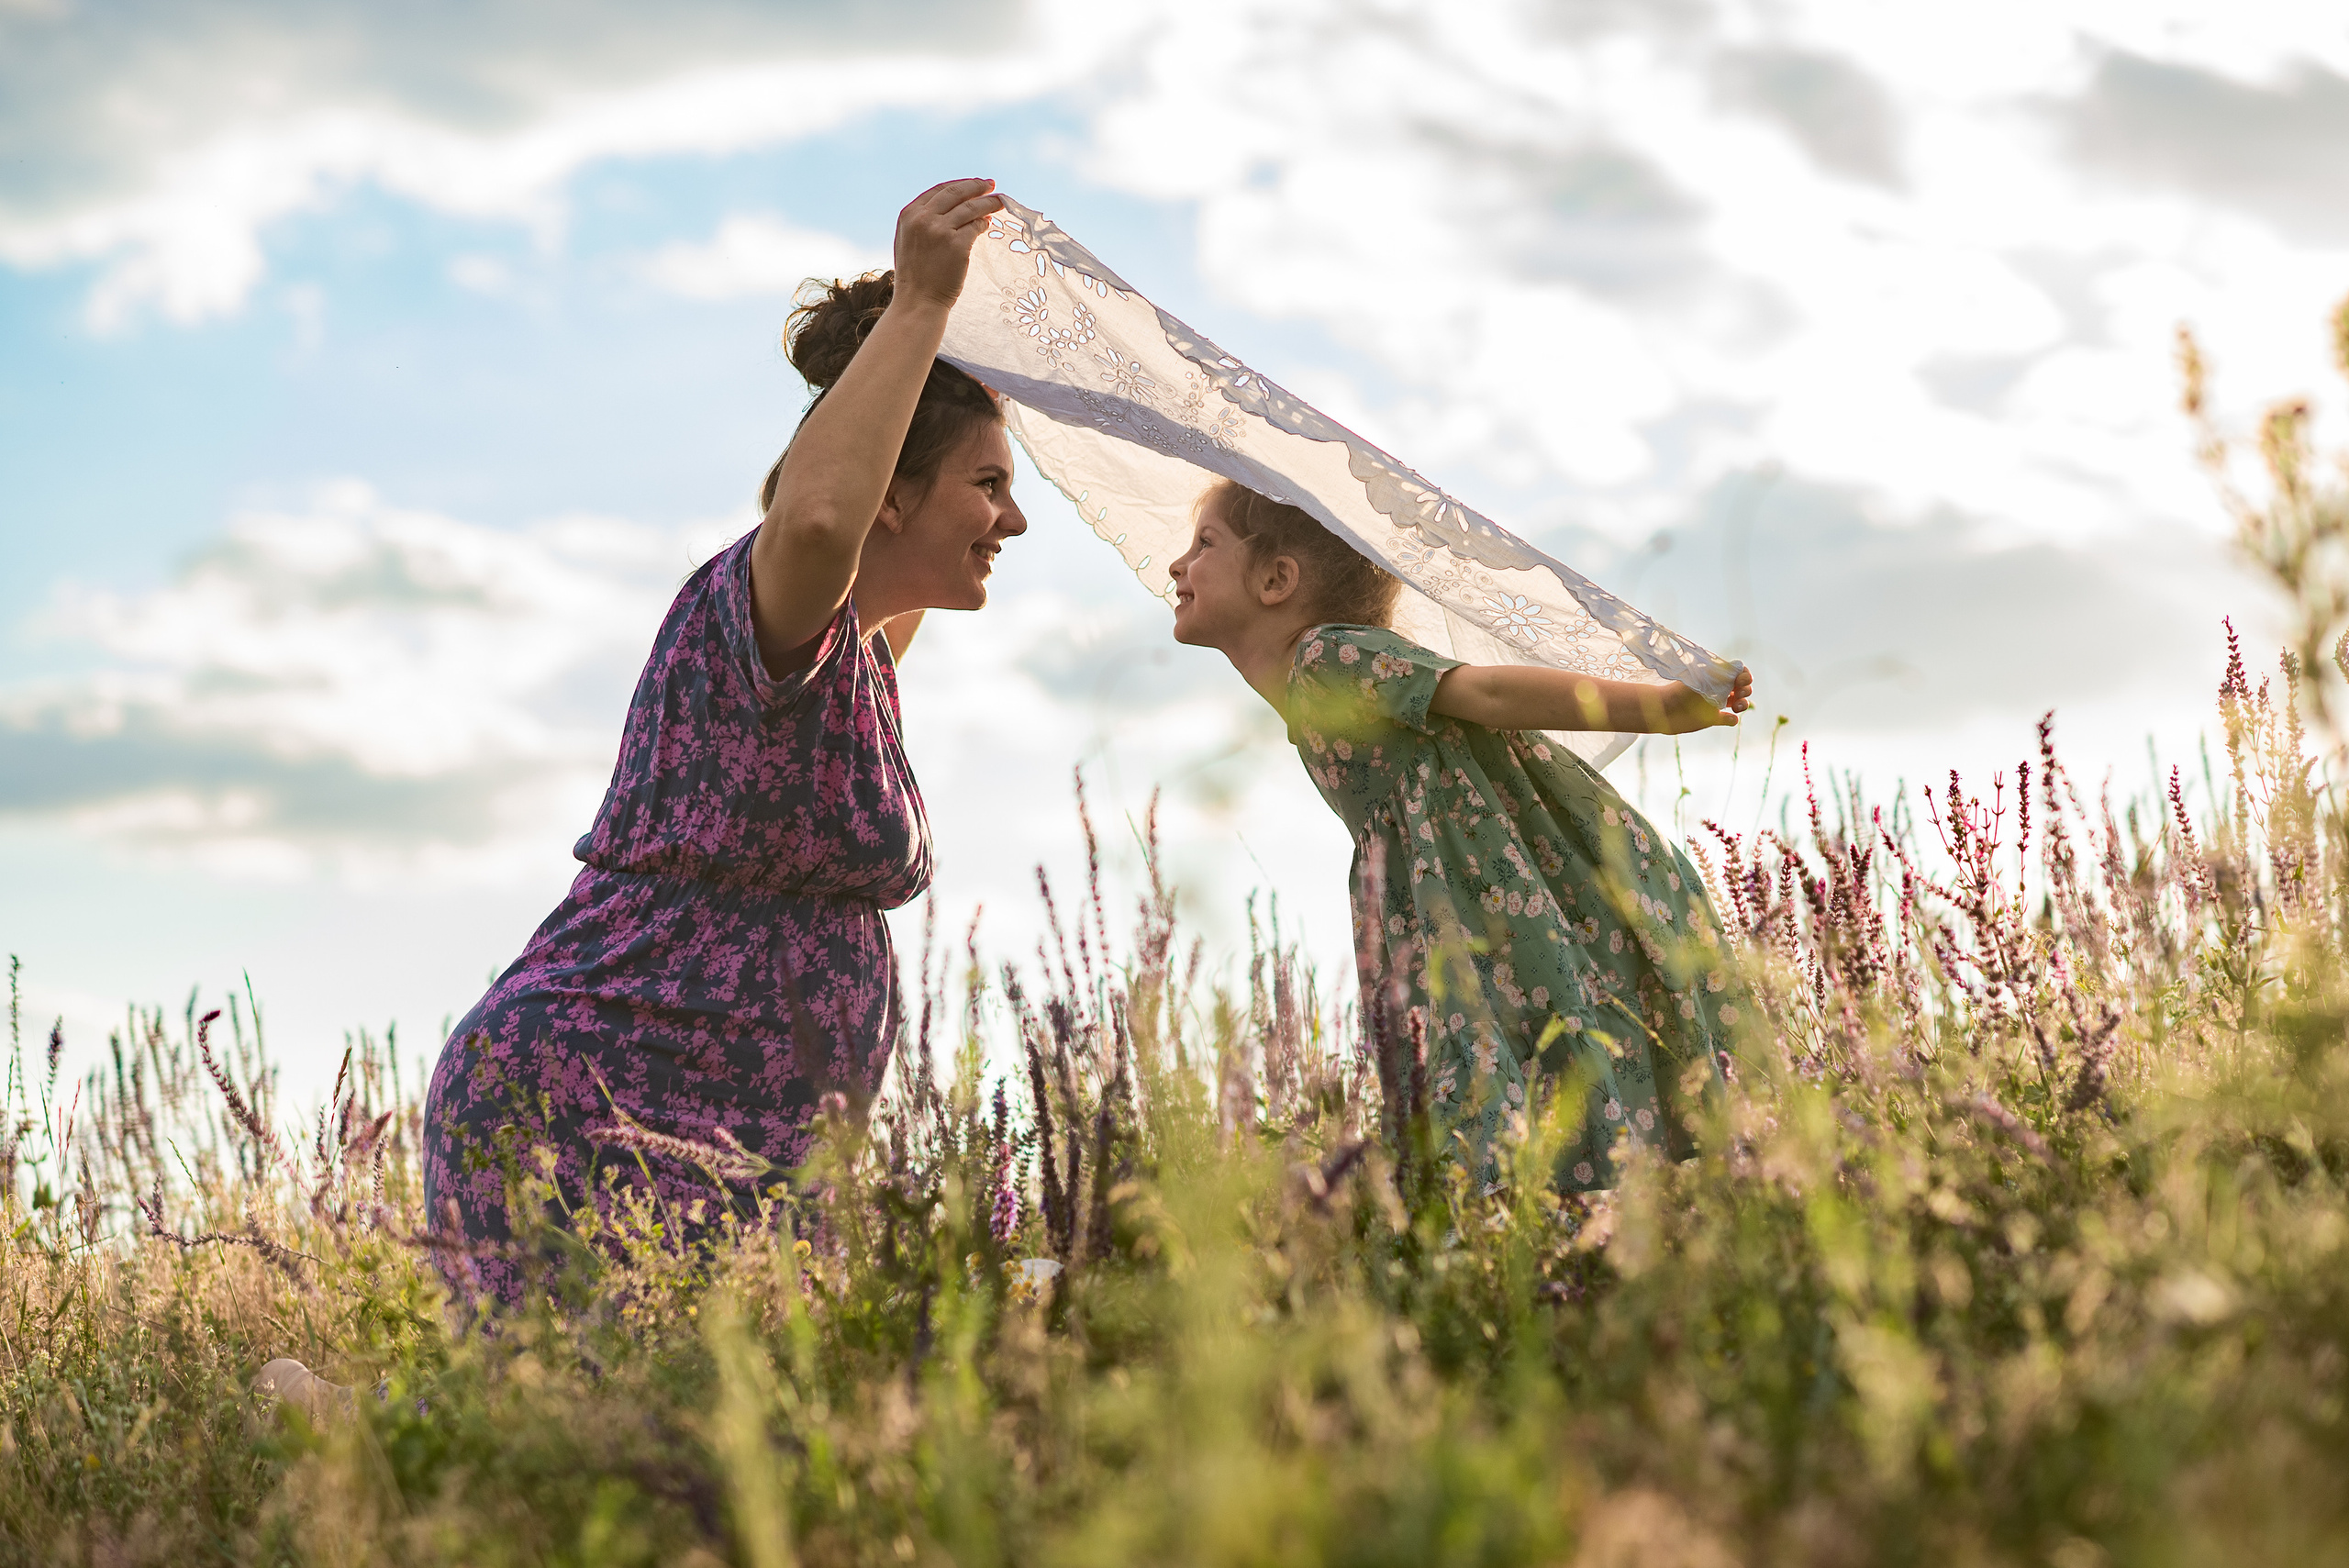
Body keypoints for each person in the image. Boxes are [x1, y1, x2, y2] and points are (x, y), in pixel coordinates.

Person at [420, 178, 1022, 1307]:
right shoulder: (770, 618)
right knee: (583, 1425)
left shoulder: (865, 655)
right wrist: (918, 312)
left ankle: (321, 1428)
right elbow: (818, 516)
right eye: (988, 485)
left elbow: (851, 514)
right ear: (891, 498)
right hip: (586, 1095)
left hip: (736, 1140)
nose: (1015, 517)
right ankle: (314, 1433)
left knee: (657, 1438)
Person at [1166, 480, 1753, 1185]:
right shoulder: (1305, 685)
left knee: (1516, 1077)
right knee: (1511, 1077)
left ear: (1276, 578)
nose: (1178, 564)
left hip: (1509, 894)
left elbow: (1490, 693)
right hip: (1457, 902)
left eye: (1204, 544)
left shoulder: (1330, 658)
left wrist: (1660, 707)